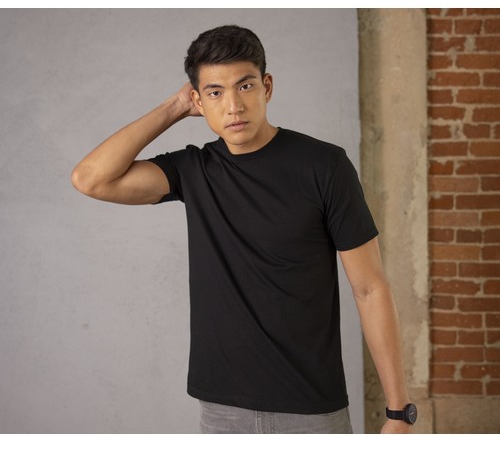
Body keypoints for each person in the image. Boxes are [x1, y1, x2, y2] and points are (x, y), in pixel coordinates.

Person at [71, 25, 416, 434]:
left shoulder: (325, 166)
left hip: (311, 408)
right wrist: (174, 106)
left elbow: (370, 288)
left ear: (267, 87)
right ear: (198, 101)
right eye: (215, 93)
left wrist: (399, 411)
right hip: (223, 409)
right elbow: (91, 179)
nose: (233, 106)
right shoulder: (194, 170)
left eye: (245, 86)